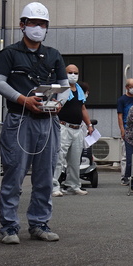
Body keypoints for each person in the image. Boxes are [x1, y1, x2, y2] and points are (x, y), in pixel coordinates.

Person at [0, 2, 67, 244]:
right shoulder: (9, 54)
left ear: (47, 28)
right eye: (33, 23)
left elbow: (65, 87)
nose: (38, 28)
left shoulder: (54, 54)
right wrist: (23, 99)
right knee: (14, 173)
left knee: (45, 176)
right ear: (22, 25)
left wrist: (59, 104)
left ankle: (39, 223)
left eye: (42, 24)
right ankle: (9, 227)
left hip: (48, 121)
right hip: (19, 119)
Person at [52, 64, 94, 197]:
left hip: (77, 128)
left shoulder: (79, 89)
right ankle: (54, 186)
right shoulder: (61, 89)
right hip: (63, 126)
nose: (73, 75)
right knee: (59, 158)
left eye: (75, 73)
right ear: (65, 74)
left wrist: (89, 125)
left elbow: (82, 108)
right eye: (70, 72)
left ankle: (73, 185)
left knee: (75, 159)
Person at [117, 78, 133, 185]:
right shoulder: (122, 100)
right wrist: (122, 130)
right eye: (132, 87)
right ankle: (124, 177)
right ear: (127, 87)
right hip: (126, 129)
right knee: (125, 155)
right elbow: (120, 116)